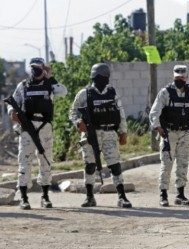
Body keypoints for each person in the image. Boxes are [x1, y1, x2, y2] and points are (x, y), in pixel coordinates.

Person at [7, 57, 67, 210]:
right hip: (27, 127)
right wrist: (12, 112)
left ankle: (45, 196)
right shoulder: (23, 85)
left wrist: (50, 77)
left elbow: (63, 92)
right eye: (33, 67)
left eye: (39, 68)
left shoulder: (50, 85)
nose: (36, 71)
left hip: (45, 127)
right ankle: (24, 198)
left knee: (45, 161)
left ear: (44, 68)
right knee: (24, 161)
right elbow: (13, 101)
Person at [69, 63, 132, 208]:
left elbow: (120, 113)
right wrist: (78, 123)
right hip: (91, 134)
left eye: (107, 77)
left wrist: (123, 132)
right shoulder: (85, 93)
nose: (106, 80)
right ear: (95, 77)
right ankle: (90, 197)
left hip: (110, 133)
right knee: (90, 165)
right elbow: (73, 112)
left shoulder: (112, 92)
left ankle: (122, 197)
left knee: (115, 165)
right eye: (103, 77)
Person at [149, 65, 189, 207]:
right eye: (177, 78)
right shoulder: (165, 92)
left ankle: (180, 195)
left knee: (183, 163)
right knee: (167, 164)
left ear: (186, 77)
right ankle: (163, 194)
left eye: (182, 77)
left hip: (185, 133)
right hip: (169, 133)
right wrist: (157, 127)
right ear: (173, 77)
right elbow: (154, 111)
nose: (179, 80)